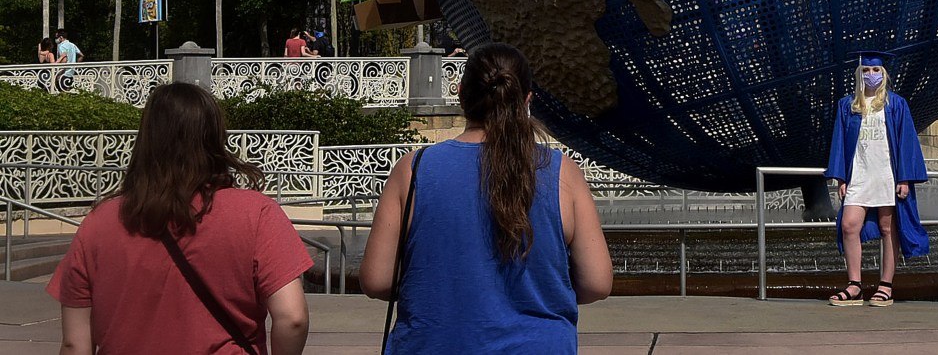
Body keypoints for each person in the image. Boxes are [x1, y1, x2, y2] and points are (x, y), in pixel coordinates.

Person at [360, 42, 612, 352]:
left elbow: (376, 280)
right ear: (527, 100)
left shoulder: (413, 170)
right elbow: (598, 283)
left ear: (461, 95)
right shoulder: (562, 173)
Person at [47, 82, 312, 354]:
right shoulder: (257, 213)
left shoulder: (98, 224)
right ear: (214, 138)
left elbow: (74, 343)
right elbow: (292, 318)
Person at [823, 50, 928, 307]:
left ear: (884, 74)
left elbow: (906, 143)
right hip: (859, 174)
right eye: (867, 71)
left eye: (876, 71)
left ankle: (886, 285)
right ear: (859, 75)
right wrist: (841, 177)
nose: (872, 75)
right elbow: (839, 144)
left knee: (887, 228)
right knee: (849, 225)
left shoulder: (896, 104)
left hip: (887, 175)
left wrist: (904, 178)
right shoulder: (848, 105)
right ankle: (855, 284)